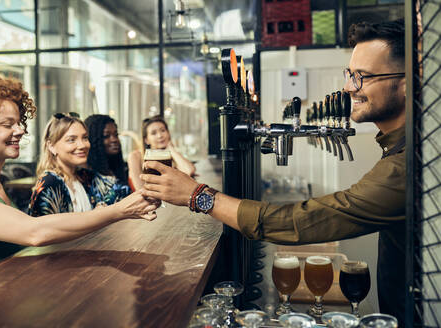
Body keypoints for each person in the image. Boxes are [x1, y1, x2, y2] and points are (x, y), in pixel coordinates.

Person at [141, 19, 407, 325]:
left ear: (406, 82)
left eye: (363, 77)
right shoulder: (397, 149)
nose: (349, 87)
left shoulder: (403, 166)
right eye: (349, 74)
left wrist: (199, 196)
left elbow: (305, 221)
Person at [0, 75, 158, 286]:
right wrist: (118, 210)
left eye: (19, 123)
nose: (20, 130)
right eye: (7, 124)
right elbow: (35, 232)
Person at [29, 113, 130, 216]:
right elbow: (44, 229)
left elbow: (121, 189)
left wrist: (103, 205)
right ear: (51, 146)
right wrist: (96, 216)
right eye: (71, 140)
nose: (82, 145)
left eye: (85, 138)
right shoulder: (49, 183)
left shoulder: (84, 176)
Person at [127, 115, 196, 191]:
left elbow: (189, 171)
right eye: (154, 133)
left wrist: (171, 149)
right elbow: (140, 188)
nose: (160, 136)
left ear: (168, 133)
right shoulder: (136, 156)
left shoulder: (171, 155)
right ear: (146, 140)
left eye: (163, 130)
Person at [84, 114, 129, 185]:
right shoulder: (87, 175)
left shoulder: (121, 169)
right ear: (93, 140)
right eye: (106, 136)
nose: (114, 140)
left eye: (116, 135)